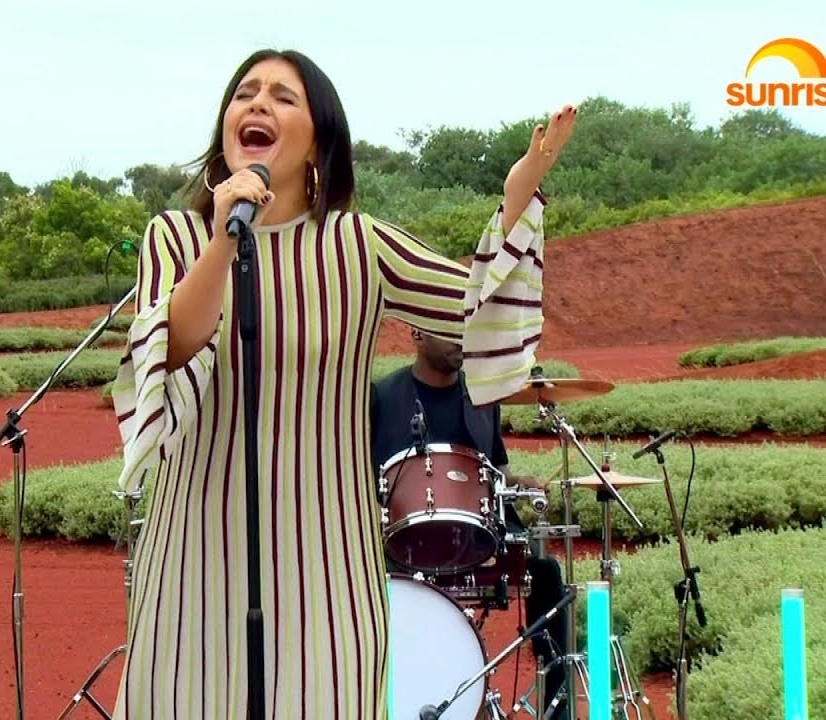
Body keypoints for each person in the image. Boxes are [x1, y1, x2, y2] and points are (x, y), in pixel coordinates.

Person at [110, 48, 576, 719]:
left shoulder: (362, 245)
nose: (258, 103)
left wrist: (518, 194)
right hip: (194, 552)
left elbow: (478, 310)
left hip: (326, 564)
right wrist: (223, 240)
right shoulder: (176, 237)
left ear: (318, 141)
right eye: (245, 93)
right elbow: (171, 347)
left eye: (283, 96)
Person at [370, 329, 570, 718]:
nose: (460, 341)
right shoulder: (383, 397)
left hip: (477, 538)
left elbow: (497, 471)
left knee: (546, 574)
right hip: (402, 543)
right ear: (417, 334)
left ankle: (556, 707)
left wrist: (522, 483)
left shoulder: (480, 397)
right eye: (448, 332)